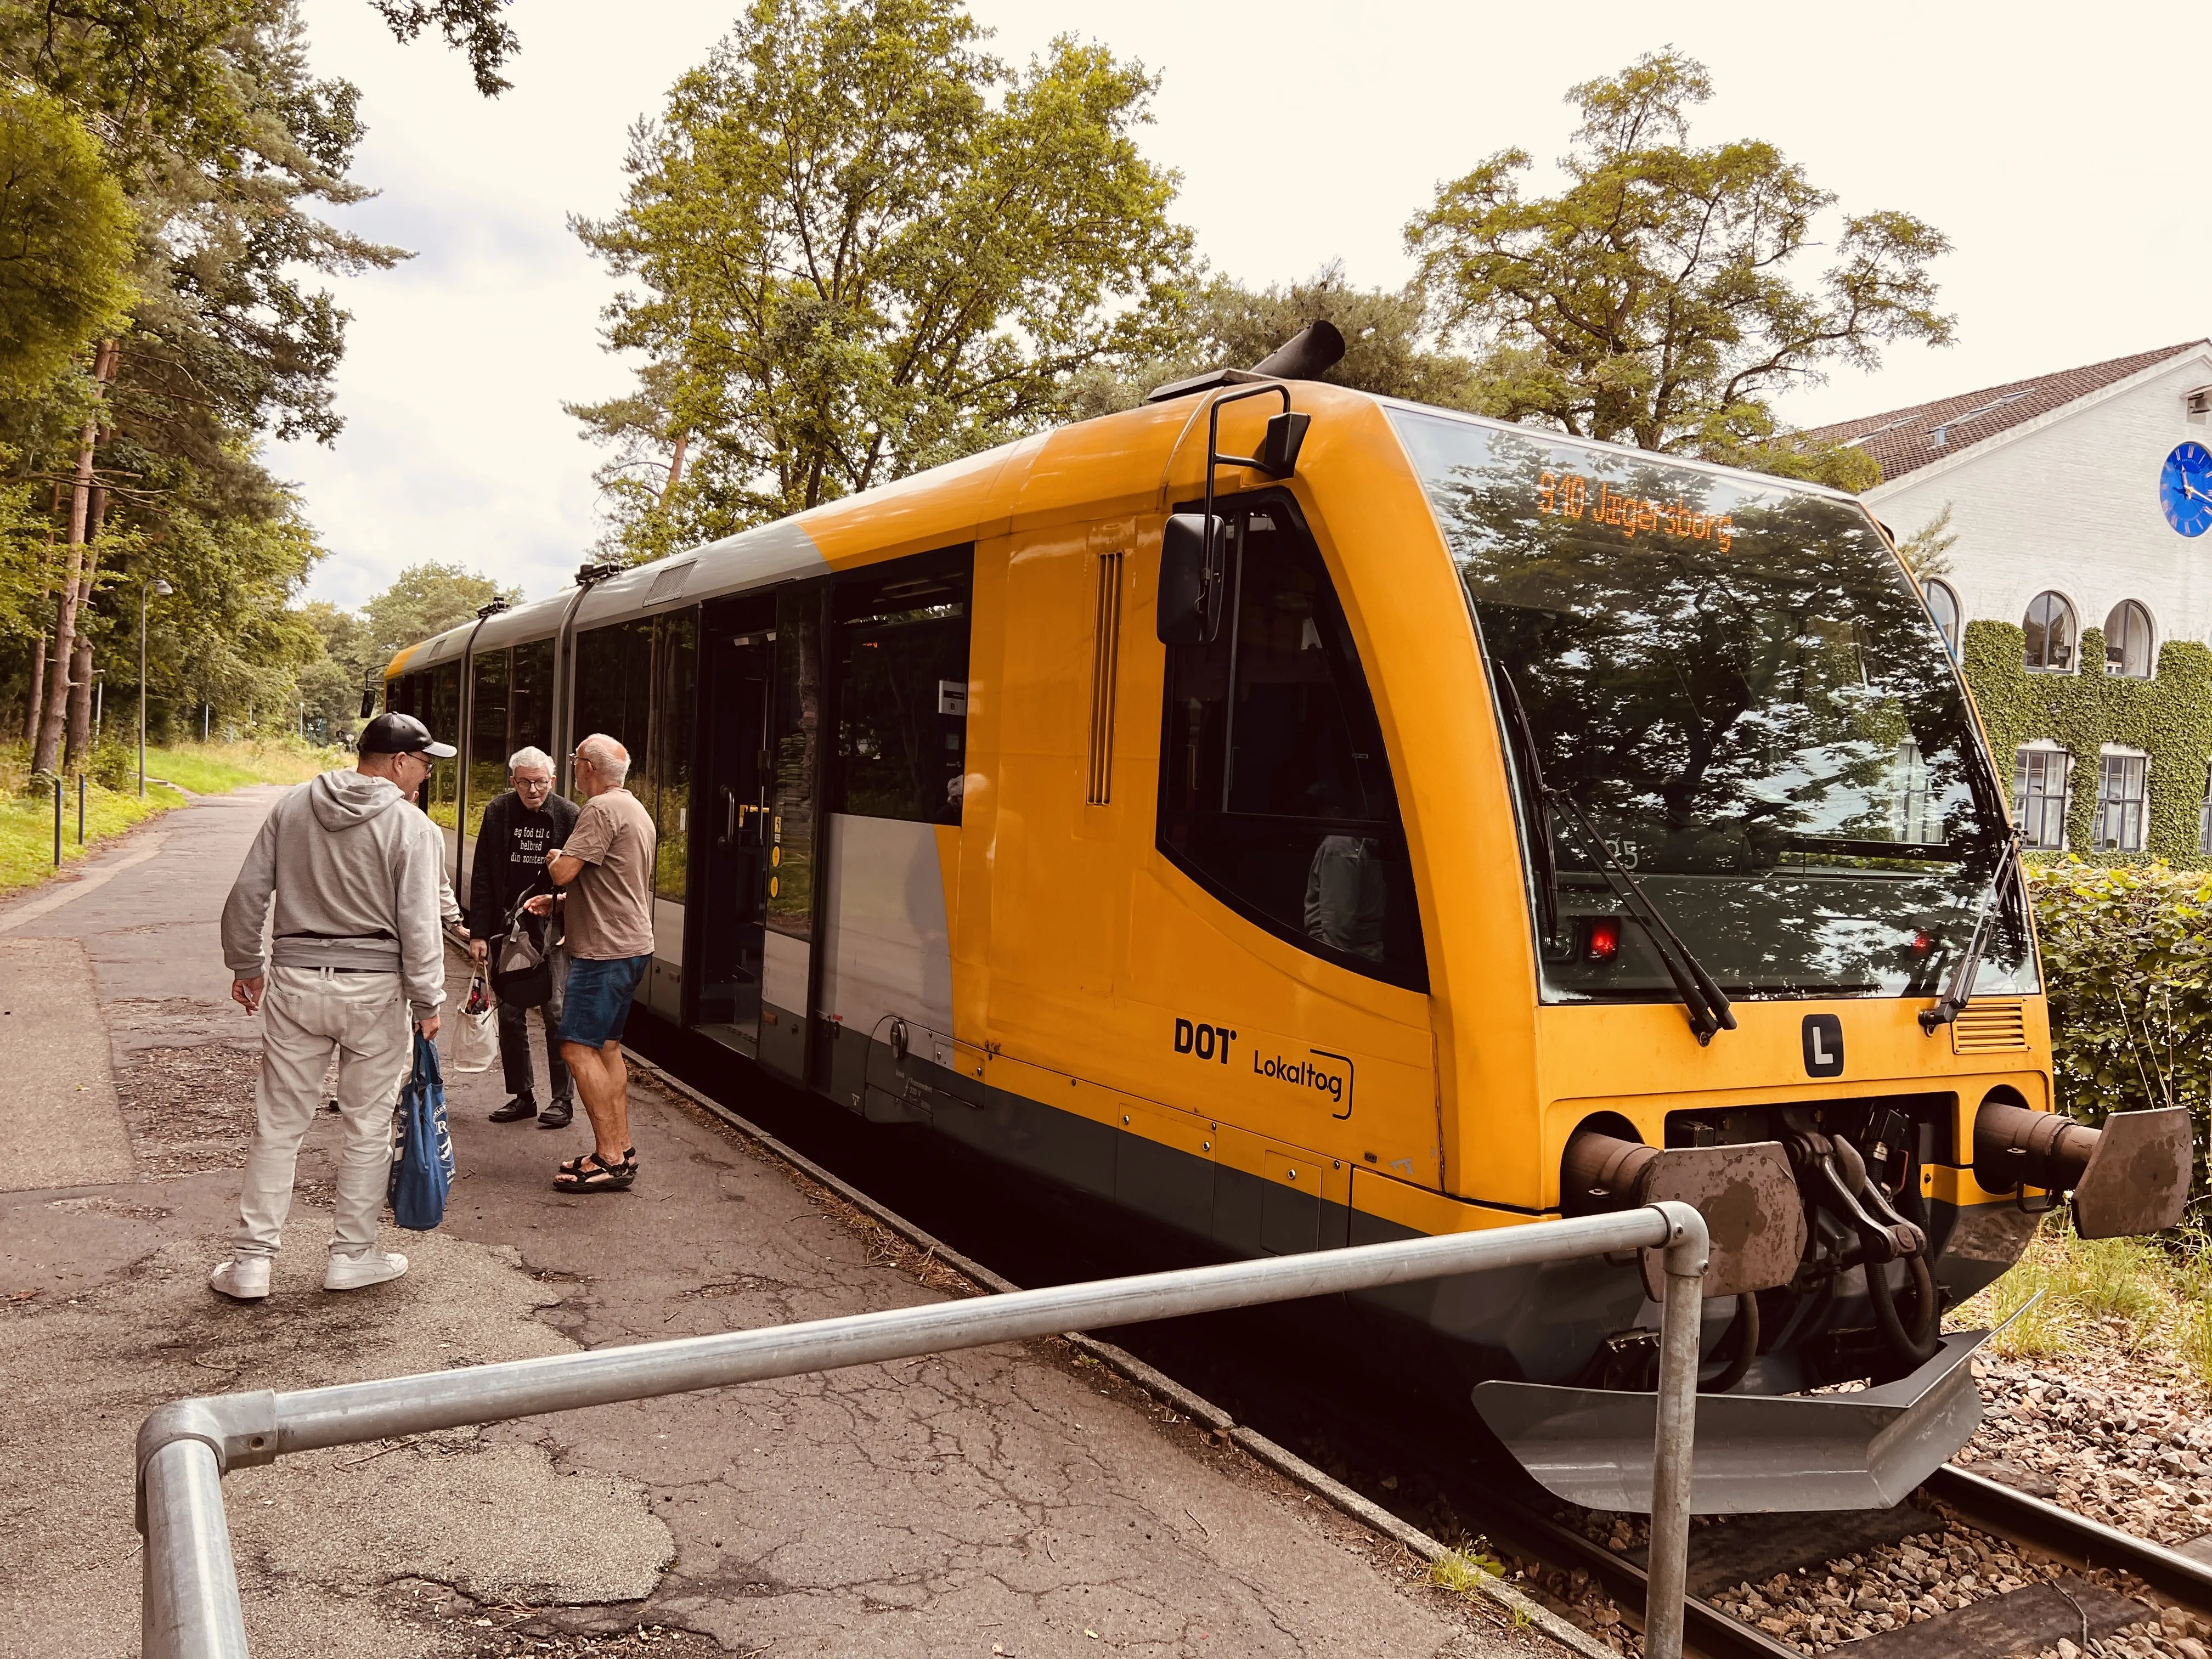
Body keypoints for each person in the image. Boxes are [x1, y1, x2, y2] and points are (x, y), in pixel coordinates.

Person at [209, 711, 454, 1300]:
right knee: (367, 1126)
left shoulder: (293, 806)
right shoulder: (411, 827)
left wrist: (246, 964)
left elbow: (248, 892)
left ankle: (251, 1264)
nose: (425, 776)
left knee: (278, 1125)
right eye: (423, 764)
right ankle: (351, 1255)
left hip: (294, 981)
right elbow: (420, 924)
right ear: (398, 762)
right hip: (373, 991)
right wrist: (428, 999)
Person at [525, 733, 656, 1193]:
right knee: (607, 1047)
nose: (574, 769)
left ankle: (610, 1157)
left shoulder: (599, 810)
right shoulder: (634, 809)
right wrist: (558, 906)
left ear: (588, 768)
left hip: (603, 951)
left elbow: (564, 872)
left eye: (575, 762)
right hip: (631, 943)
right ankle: (622, 1148)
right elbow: (612, 883)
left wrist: (555, 856)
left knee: (576, 1047)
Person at [467, 746, 579, 1127]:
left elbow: (583, 879)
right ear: (512, 781)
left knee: (557, 1012)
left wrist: (570, 919)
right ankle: (522, 1095)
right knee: (511, 1012)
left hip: (554, 932)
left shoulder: (568, 814)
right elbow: (483, 874)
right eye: (526, 783)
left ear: (553, 781)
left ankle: (562, 1100)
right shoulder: (499, 812)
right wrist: (480, 933)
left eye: (541, 782)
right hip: (508, 929)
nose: (534, 790)